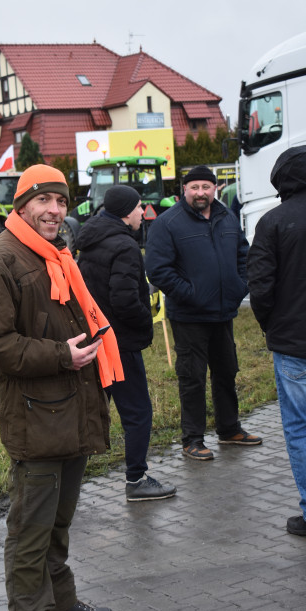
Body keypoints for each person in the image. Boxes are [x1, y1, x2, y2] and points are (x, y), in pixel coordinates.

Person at [0, 164, 122, 611]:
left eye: (61, 201)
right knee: (29, 536)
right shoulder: (0, 259)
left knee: (58, 522)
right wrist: (62, 356)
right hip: (36, 415)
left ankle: (62, 607)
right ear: (22, 204)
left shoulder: (56, 255)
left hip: (71, 408)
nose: (55, 211)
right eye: (44, 201)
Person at [145, 165, 262, 460]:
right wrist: (191, 295)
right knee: (192, 377)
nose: (200, 193)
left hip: (223, 313)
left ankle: (230, 429)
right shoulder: (168, 223)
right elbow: (158, 269)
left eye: (206, 187)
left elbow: (243, 255)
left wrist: (240, 286)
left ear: (215, 189)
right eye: (194, 187)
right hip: (189, 316)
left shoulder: (227, 216)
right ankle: (193, 439)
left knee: (226, 371)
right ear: (184, 190)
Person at [77, 185, 177, 501]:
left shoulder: (89, 240)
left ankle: (66, 482)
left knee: (92, 411)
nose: (141, 214)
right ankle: (136, 480)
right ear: (126, 211)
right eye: (138, 208)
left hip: (94, 340)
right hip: (119, 344)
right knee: (138, 412)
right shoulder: (124, 246)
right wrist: (144, 320)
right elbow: (124, 299)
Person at [247, 147, 306, 536]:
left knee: (300, 428)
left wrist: (273, 327)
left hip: (293, 343)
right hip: (290, 338)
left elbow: (260, 289)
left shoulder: (272, 222)